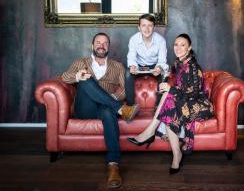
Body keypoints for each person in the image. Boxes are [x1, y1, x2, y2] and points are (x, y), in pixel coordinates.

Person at [61, 32, 140, 188]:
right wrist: (77, 76)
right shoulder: (80, 62)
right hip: (85, 109)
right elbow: (64, 77)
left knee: (106, 110)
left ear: (109, 47)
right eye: (98, 42)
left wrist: (107, 98)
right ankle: (121, 109)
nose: (101, 45)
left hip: (105, 109)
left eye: (105, 43)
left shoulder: (117, 66)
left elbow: (123, 91)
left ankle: (113, 165)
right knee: (85, 79)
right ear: (92, 45)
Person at [127, 34, 214, 174]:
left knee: (169, 96)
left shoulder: (193, 67)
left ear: (189, 47)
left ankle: (150, 131)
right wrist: (168, 83)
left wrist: (170, 89)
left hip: (199, 105)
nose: (178, 48)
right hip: (185, 102)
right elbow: (179, 89)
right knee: (169, 104)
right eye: (176, 44)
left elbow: (194, 94)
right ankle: (176, 154)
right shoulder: (178, 64)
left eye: (183, 45)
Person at [125, 13, 169, 105]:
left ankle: (159, 106)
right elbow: (131, 56)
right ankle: (130, 106)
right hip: (139, 66)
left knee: (165, 74)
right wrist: (133, 66)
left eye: (150, 25)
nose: (147, 29)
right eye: (144, 25)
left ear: (154, 27)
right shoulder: (133, 39)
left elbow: (162, 60)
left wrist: (159, 68)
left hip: (154, 66)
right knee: (128, 73)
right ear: (139, 27)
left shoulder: (161, 40)